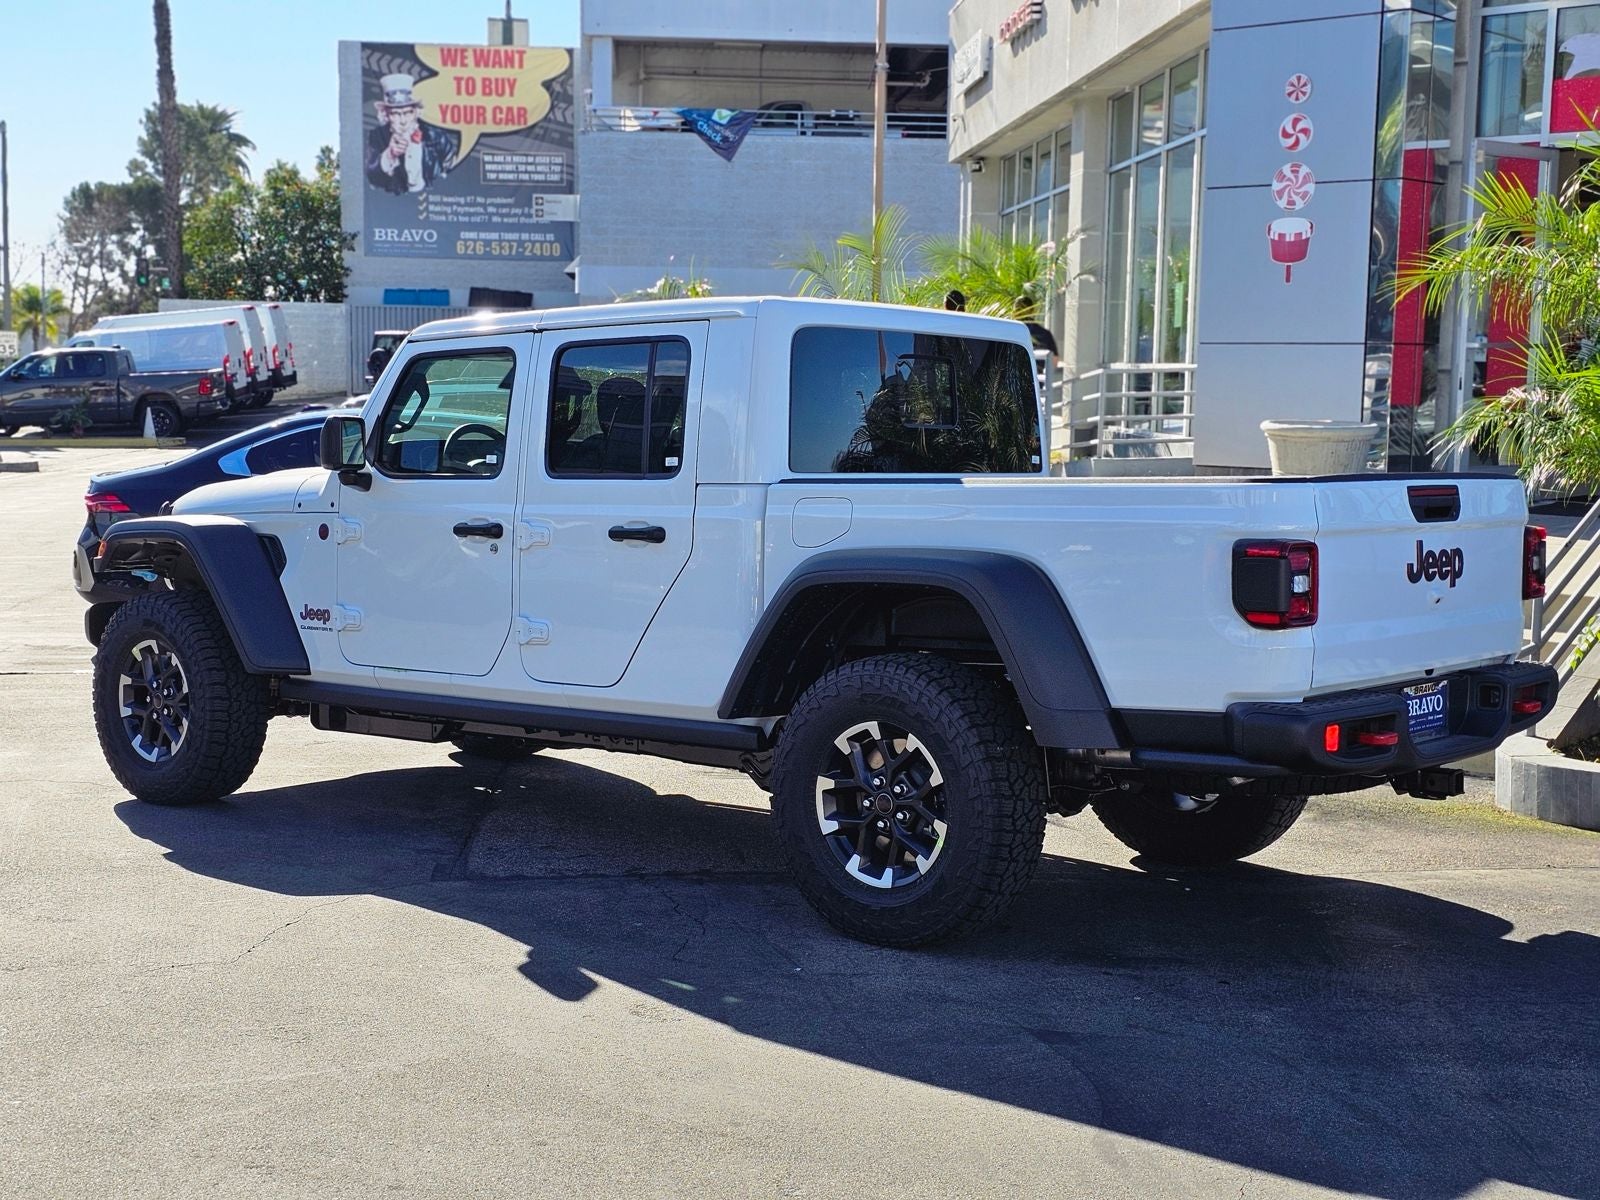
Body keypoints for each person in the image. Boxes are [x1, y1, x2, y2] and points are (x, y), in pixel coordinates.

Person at [365, 74, 456, 194]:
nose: (403, 121)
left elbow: (452, 172)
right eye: (396, 114)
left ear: (416, 112)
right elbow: (371, 178)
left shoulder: (437, 137)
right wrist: (390, 155)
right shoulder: (376, 137)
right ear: (386, 115)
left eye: (408, 113)